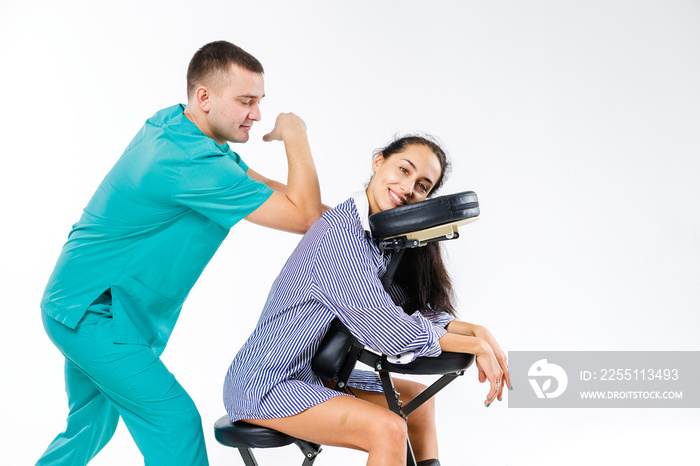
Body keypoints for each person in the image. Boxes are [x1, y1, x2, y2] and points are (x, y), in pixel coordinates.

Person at [37, 41, 324, 466]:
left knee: (88, 428)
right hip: (91, 314)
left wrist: (360, 218)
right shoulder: (187, 161)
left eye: (259, 101)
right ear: (204, 97)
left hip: (87, 306)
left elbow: (288, 201)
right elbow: (301, 216)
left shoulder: (182, 131)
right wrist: (296, 137)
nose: (258, 115)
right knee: (175, 421)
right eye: (246, 101)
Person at [223, 135, 511, 466]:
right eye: (403, 170)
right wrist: (475, 347)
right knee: (387, 428)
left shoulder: (377, 241)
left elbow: (400, 313)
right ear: (378, 162)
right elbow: (387, 330)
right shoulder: (341, 235)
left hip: (309, 374)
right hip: (264, 381)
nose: (407, 187)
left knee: (417, 405)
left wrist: (476, 332)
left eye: (422, 185)